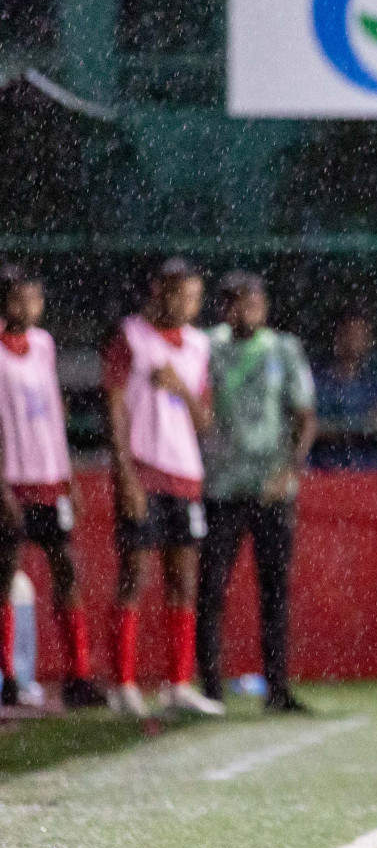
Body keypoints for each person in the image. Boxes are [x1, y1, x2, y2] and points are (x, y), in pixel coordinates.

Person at [101, 258, 223, 718]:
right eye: (182, 295)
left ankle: (177, 684)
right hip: (144, 469)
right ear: (159, 292)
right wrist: (126, 474)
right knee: (134, 575)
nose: (190, 305)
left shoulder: (197, 345)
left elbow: (205, 420)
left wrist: (180, 389)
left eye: (195, 297)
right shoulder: (130, 336)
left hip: (184, 473)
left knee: (183, 579)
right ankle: (123, 684)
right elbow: (114, 407)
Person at [196, 272, 317, 714]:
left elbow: (305, 416)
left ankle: (278, 688)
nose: (249, 310)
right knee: (210, 587)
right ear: (224, 307)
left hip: (270, 486)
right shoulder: (207, 347)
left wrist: (290, 472)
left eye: (255, 302)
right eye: (240, 303)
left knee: (275, 590)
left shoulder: (283, 350)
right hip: (222, 484)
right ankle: (210, 688)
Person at [0, 264, 104, 709]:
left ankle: (78, 674)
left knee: (67, 569)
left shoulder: (43, 344)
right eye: (21, 298)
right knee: (5, 575)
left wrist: (68, 475)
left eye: (36, 298)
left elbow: (53, 409)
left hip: (49, 476)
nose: (30, 307)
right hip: (13, 481)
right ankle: (9, 677)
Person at [311, 309, 377, 470]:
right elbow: (310, 423)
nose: (354, 340)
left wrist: (340, 430)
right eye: (350, 333)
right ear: (337, 337)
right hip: (324, 466)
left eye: (361, 335)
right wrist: (349, 430)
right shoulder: (317, 381)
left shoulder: (374, 384)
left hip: (366, 468)